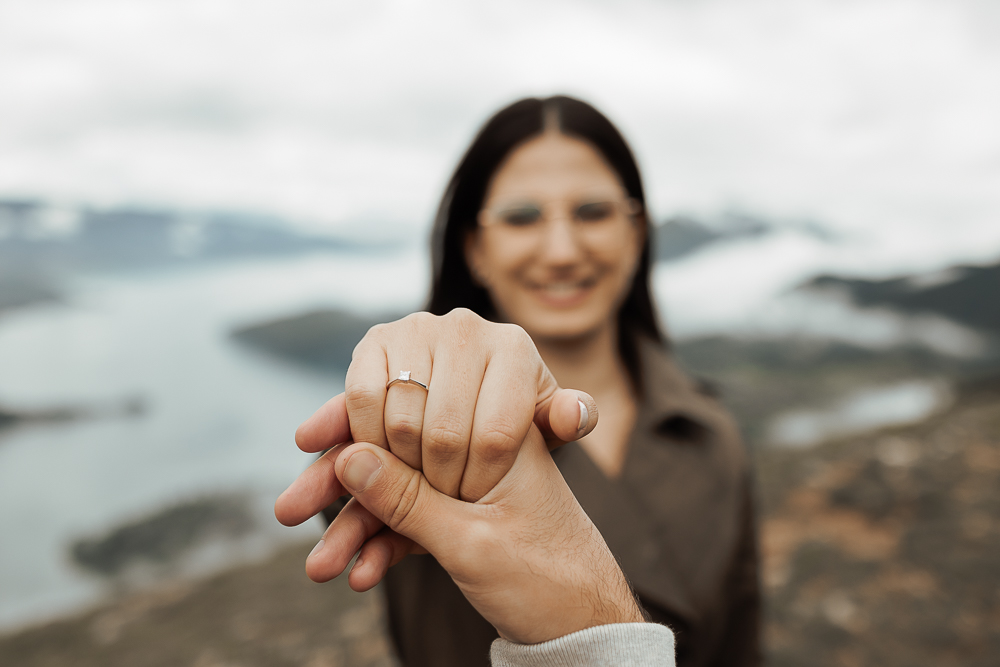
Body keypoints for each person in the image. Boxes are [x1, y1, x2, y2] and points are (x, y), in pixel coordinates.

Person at [306, 95, 760, 666]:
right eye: (522, 217)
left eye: (593, 212)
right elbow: (350, 487)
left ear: (636, 233)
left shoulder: (712, 435)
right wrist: (396, 387)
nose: (563, 251)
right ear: (475, 249)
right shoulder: (431, 428)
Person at [276, 405, 677, 666]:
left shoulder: (709, 436)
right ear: (476, 265)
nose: (560, 265)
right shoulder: (442, 414)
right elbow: (336, 500)